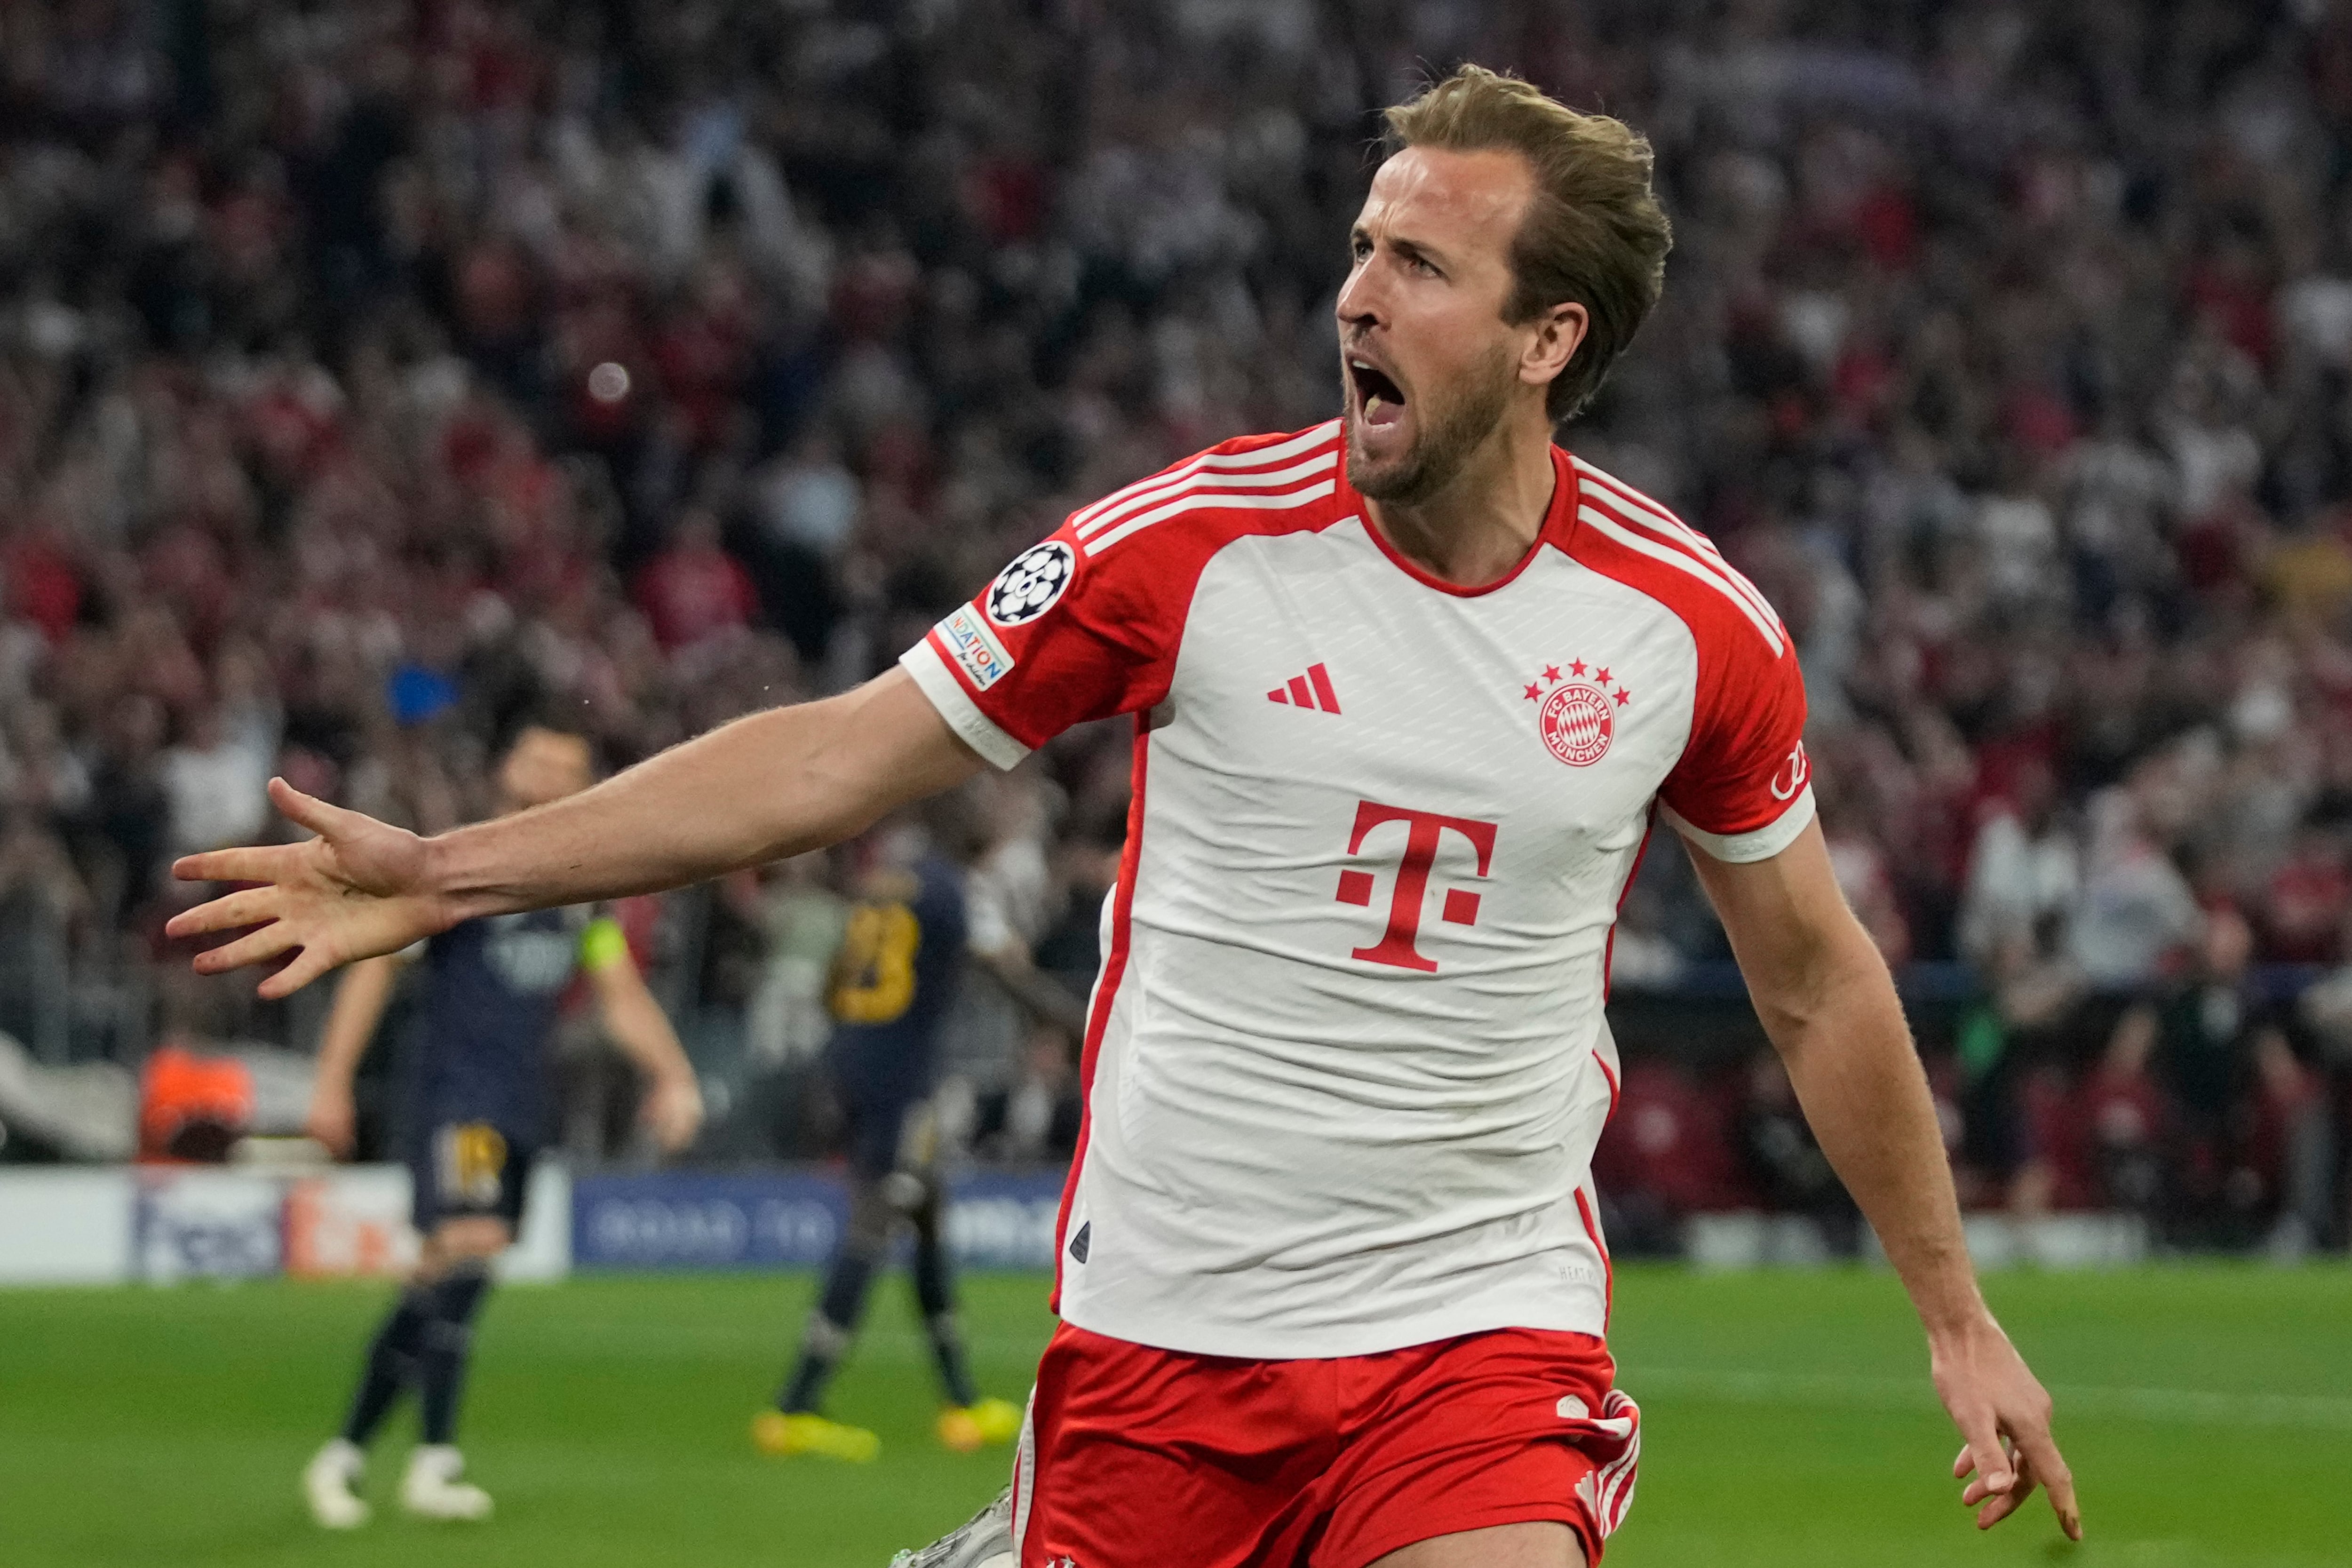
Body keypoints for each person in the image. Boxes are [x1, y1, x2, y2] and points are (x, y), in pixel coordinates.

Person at [173, 66, 2078, 1568]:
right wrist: (446, 872)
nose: (1353, 290)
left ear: (1545, 338)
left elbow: (1814, 975)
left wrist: (1951, 1309)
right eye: (1358, 245)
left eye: (1419, 263)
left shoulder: (1689, 630)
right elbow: (841, 753)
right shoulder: (1185, 551)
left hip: (1474, 1314)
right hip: (1165, 1326)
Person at [294, 721, 703, 1530]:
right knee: (469, 1254)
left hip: (521, 1104)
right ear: (505, 769)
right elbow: (376, 967)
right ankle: (434, 1461)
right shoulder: (455, 865)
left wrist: (672, 1072)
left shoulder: (580, 895)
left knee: (443, 1278)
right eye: (535, 756)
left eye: (568, 761)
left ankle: (344, 1454)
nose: (549, 771)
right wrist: (332, 1080)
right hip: (458, 1098)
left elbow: (619, 996)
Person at [753, 799, 1027, 1463]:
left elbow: (836, 976)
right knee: (878, 1221)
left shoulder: (886, 883)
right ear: (976, 841)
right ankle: (797, 1404)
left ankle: (961, 1399)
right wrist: (1078, 1023)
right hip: (906, 1079)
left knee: (925, 1219)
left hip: (854, 1061)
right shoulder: (956, 891)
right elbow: (1006, 966)